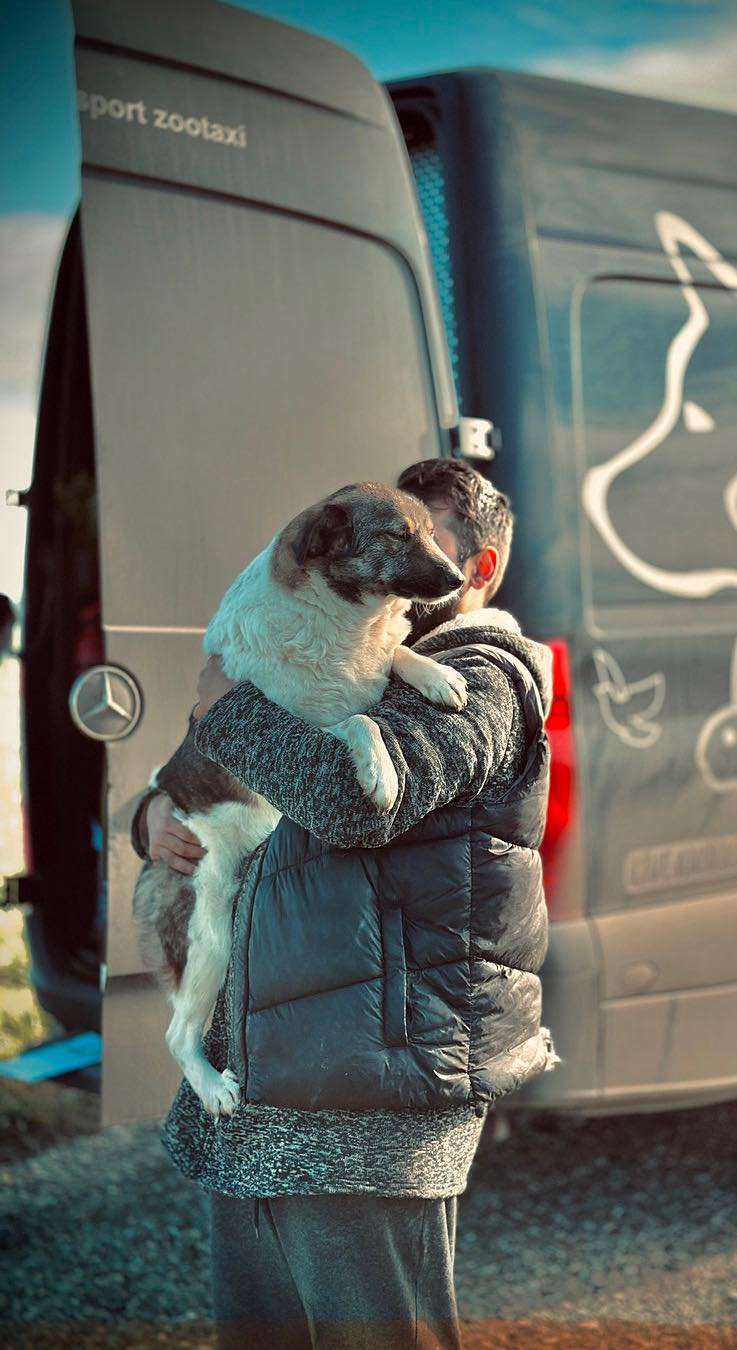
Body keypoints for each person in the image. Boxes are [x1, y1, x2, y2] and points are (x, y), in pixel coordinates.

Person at [130, 458, 558, 1348]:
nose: (408, 562)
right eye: (395, 537)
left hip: (372, 1099)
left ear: (477, 568)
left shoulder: (487, 679)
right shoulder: (349, 649)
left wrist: (226, 708)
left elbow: (351, 805)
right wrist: (152, 813)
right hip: (268, 1081)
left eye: (432, 540)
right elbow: (210, 759)